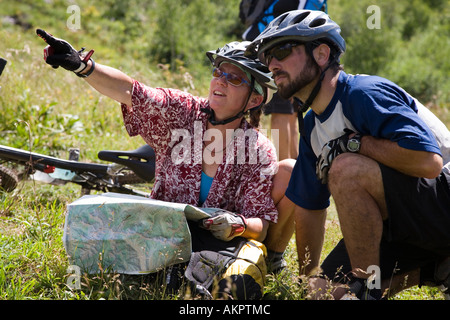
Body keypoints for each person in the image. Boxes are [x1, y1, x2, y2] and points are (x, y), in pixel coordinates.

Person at [36, 30, 296, 286]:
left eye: (235, 78)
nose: (221, 81)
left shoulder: (258, 148)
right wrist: (82, 66)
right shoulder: (182, 112)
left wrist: (236, 225)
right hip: (161, 233)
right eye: (218, 72)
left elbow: (260, 225)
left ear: (255, 99)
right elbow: (131, 92)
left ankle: (269, 263)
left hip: (216, 245)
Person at [246, 9, 450, 299]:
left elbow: (429, 163)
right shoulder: (312, 126)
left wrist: (357, 144)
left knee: (345, 167)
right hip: (404, 224)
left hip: (442, 198)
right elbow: (310, 208)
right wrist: (307, 278)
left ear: (321, 54)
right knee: (322, 294)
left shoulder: (362, 93)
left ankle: (367, 289)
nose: (273, 64)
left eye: (282, 49)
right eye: (268, 57)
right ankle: (436, 267)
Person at [239, 0, 328, 160]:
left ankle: (285, 169)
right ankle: (292, 167)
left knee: (283, 112)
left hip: (278, 53)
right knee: (290, 113)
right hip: (297, 56)